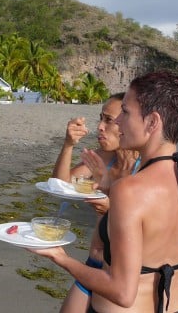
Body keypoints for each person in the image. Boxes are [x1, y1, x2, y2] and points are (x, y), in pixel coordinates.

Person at [29, 71, 178, 313]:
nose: (118, 123)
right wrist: (109, 187)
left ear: (152, 122)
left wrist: (61, 258)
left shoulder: (131, 190)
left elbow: (123, 293)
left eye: (125, 112)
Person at [52, 93, 140, 313]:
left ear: (126, 122)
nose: (100, 127)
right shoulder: (104, 159)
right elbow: (60, 185)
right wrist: (68, 145)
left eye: (108, 120)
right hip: (93, 265)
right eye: (101, 118)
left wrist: (112, 209)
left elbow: (148, 226)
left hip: (121, 277)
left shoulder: (142, 168)